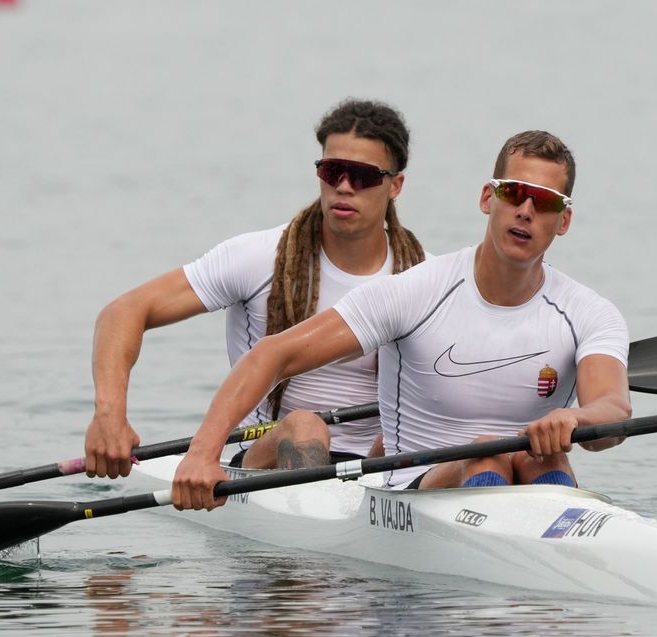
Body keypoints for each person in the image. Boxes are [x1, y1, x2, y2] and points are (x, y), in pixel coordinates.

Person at [172, 130, 632, 511]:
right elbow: (274, 354)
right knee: (495, 450)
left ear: (564, 220)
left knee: (535, 455)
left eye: (545, 201)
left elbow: (612, 409)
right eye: (514, 193)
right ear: (488, 198)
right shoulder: (416, 292)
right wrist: (202, 455)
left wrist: (577, 416)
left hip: (530, 481)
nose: (526, 210)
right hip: (409, 499)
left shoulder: (588, 313)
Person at [83, 99, 426, 479]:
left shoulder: (425, 276)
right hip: (269, 455)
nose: (344, 187)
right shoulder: (259, 258)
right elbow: (125, 311)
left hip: (378, 461)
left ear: (395, 185)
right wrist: (109, 415)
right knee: (304, 426)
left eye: (362, 176)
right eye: (332, 171)